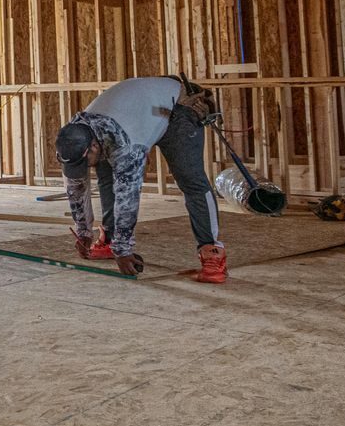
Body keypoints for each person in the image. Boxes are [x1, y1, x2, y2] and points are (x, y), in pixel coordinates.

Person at [54, 75, 226, 282]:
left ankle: (212, 252)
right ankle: (108, 238)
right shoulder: (74, 137)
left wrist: (124, 250)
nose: (83, 168)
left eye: (85, 161)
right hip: (139, 110)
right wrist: (83, 232)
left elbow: (128, 196)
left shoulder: (127, 145)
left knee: (191, 179)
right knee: (104, 171)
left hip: (176, 108)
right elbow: (76, 189)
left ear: (93, 146)